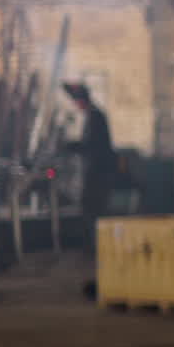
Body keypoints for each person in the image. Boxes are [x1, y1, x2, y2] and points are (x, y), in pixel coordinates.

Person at [62, 81, 116, 250]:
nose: (75, 105)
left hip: (98, 175)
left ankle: (96, 249)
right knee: (91, 210)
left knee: (92, 210)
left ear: (81, 101)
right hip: (96, 173)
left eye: (76, 101)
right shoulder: (93, 116)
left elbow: (92, 146)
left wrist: (71, 146)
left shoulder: (96, 117)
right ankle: (94, 248)